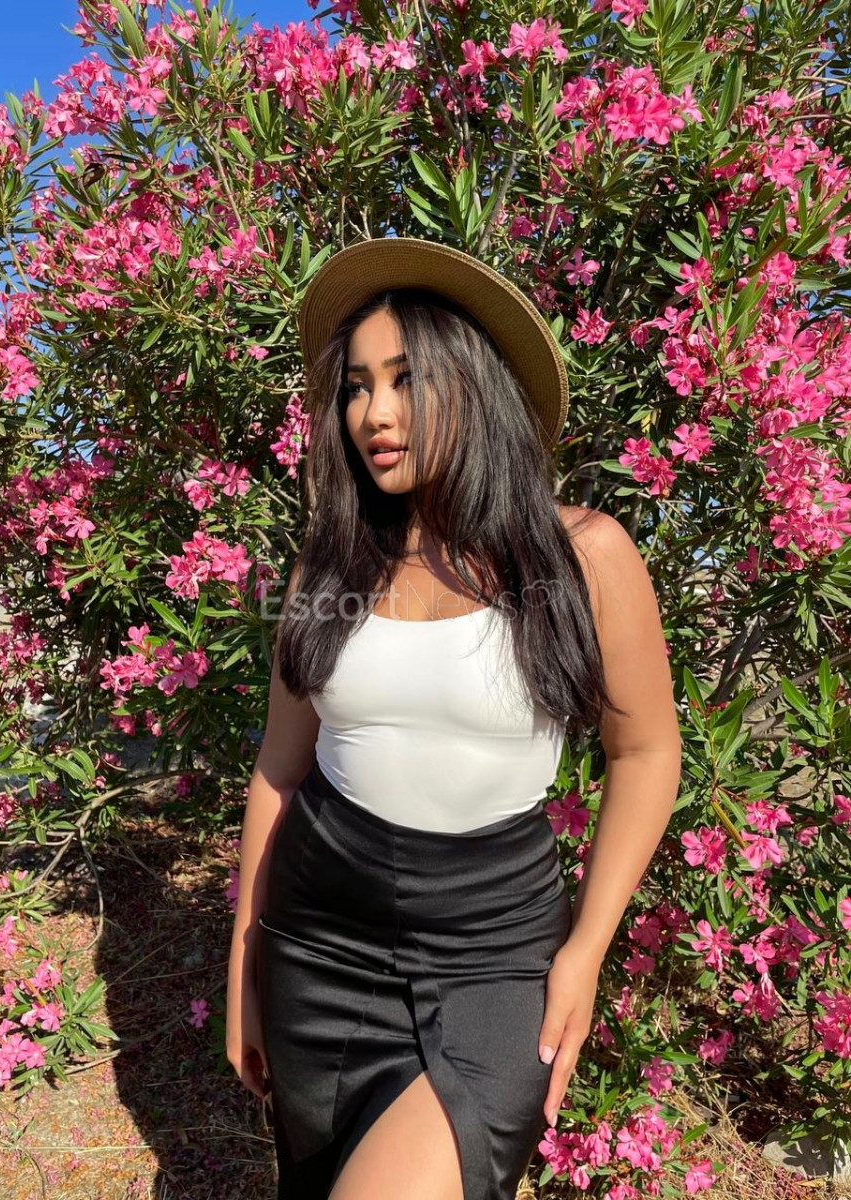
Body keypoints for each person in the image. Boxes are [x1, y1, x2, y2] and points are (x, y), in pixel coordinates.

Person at [226, 237, 682, 1200]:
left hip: (494, 951)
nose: (374, 413)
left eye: (405, 379)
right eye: (357, 387)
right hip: (319, 940)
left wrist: (585, 951)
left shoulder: (582, 556)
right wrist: (245, 963)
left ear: (473, 384)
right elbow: (280, 768)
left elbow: (644, 751)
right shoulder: (328, 566)